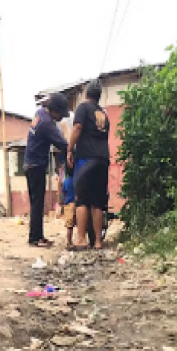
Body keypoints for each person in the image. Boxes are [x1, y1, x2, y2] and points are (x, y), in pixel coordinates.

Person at [68, 79, 110, 250]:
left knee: (82, 200)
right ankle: (98, 242)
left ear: (86, 93)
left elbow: (77, 127)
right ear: (99, 96)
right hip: (103, 159)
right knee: (98, 202)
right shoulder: (104, 115)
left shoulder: (83, 108)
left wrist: (70, 149)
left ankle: (81, 239)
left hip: (86, 159)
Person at [23, 93, 69, 248]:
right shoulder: (47, 124)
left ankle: (38, 236)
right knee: (37, 203)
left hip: (30, 164)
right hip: (36, 166)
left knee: (36, 202)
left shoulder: (40, 113)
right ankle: (35, 239)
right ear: (54, 111)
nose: (61, 118)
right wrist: (75, 149)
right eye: (60, 115)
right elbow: (62, 144)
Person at [61, 162, 76, 249]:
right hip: (77, 204)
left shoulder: (66, 181)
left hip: (68, 205)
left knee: (69, 226)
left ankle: (69, 242)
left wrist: (62, 204)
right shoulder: (77, 181)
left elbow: (63, 193)